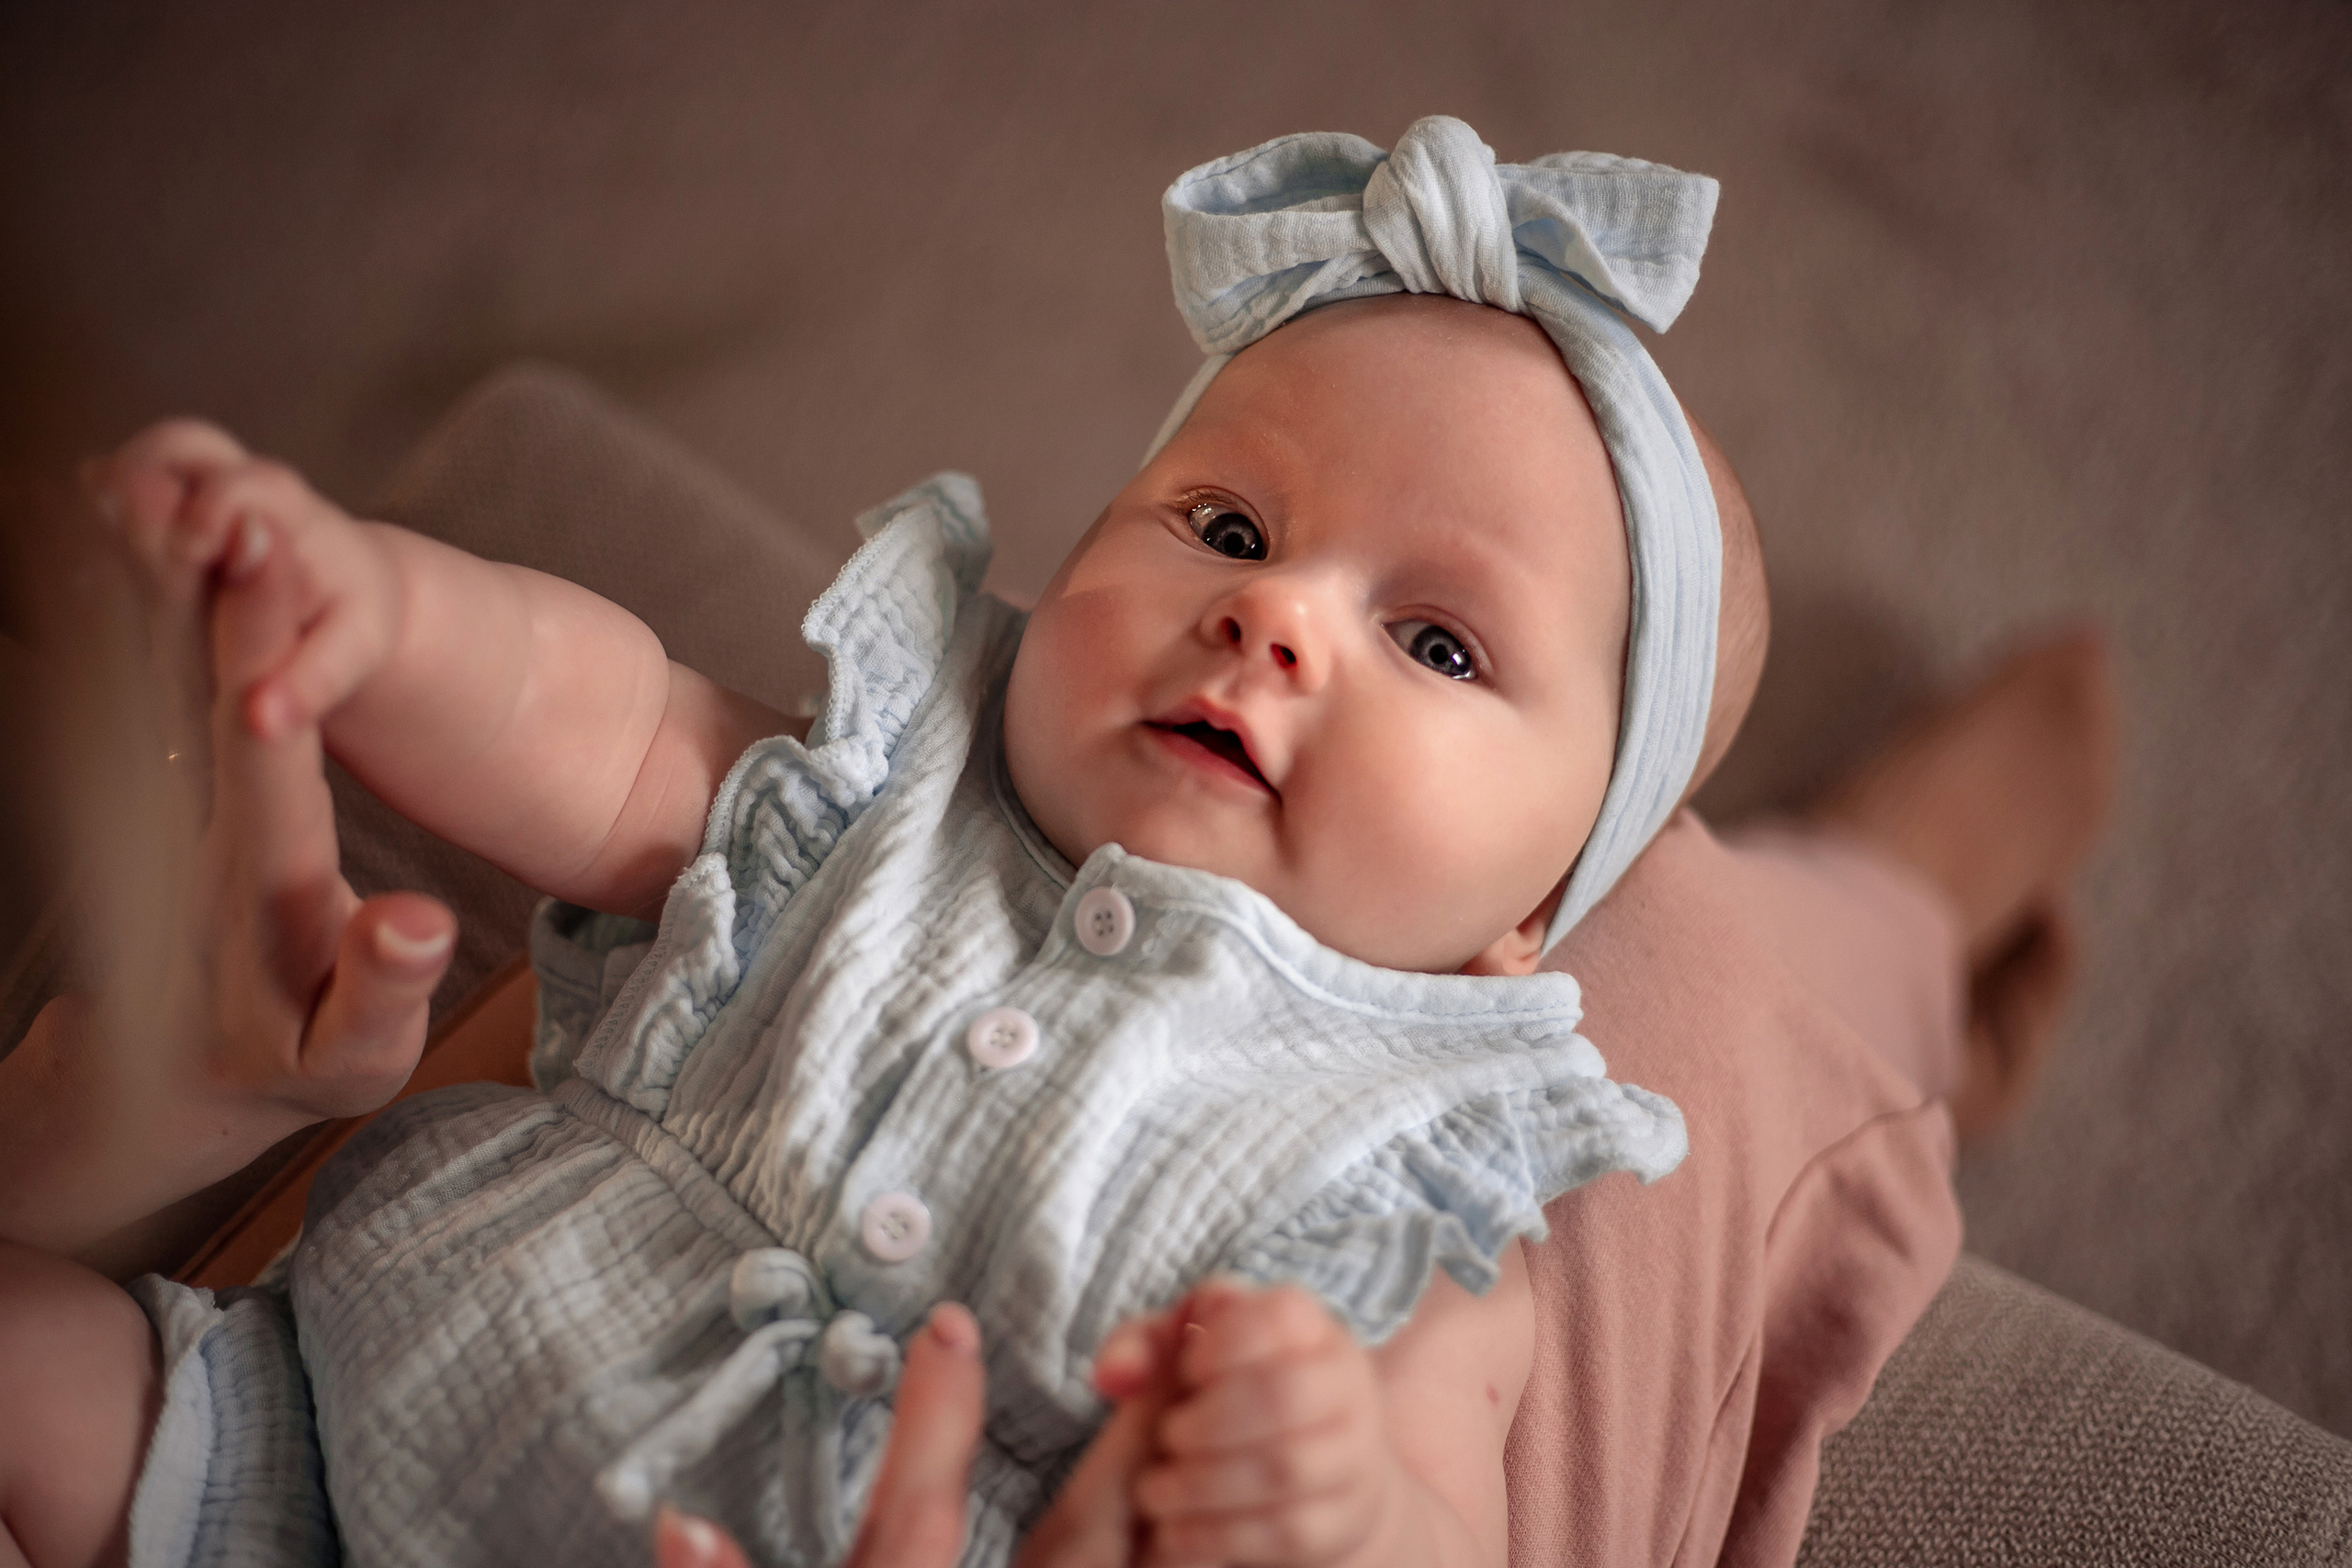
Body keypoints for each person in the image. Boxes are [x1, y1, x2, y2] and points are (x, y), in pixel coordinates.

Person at [0, 116, 2109, 1568]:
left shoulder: (1414, 1169)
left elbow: (1436, 1488)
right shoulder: (890, 774)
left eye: (1437, 639)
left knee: (1764, 968)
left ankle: (1921, 882)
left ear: (1536, 912)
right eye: (1226, 522)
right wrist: (374, 611)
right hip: (263, 1445)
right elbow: (598, 709)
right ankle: (1911, 885)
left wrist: (1340, 1499)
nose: (1273, 616)